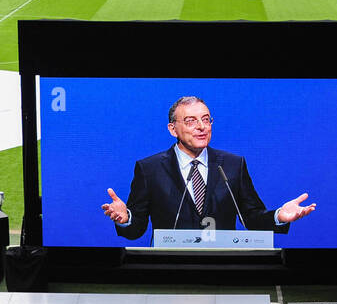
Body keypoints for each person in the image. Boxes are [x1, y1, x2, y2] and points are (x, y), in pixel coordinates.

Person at [102, 96, 315, 242]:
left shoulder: (233, 165)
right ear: (172, 129)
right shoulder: (149, 169)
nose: (202, 127)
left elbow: (252, 218)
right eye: (191, 121)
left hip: (222, 267)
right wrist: (126, 218)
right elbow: (136, 229)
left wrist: (279, 216)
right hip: (169, 267)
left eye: (206, 120)